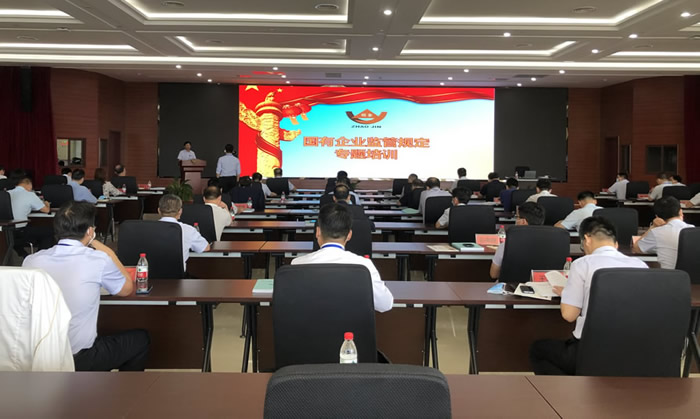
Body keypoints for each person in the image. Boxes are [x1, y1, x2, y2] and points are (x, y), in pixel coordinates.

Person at [22, 201, 150, 371]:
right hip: (78, 358)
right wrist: (107, 251)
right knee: (140, 340)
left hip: (38, 356)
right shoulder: (98, 259)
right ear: (90, 231)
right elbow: (127, 289)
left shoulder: (31, 260)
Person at [529, 216, 648, 375]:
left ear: (586, 239)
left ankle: (572, 389)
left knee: (538, 350)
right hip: (633, 350)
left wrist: (567, 294)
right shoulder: (641, 265)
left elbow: (569, 315)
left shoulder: (583, 264)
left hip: (591, 350)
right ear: (615, 243)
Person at [291, 203, 393, 312]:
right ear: (349, 235)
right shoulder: (364, 266)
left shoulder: (296, 264)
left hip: (309, 322)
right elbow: (385, 305)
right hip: (352, 323)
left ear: (318, 232)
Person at [634, 196, 694, 269]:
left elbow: (636, 248)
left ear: (657, 217)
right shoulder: (694, 230)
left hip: (671, 275)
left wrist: (653, 226)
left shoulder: (657, 232)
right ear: (680, 212)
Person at [490, 202, 545, 280]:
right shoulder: (554, 243)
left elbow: (494, 274)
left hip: (511, 285)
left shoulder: (508, 244)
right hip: (541, 285)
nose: (516, 220)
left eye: (517, 217)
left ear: (523, 221)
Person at [158, 194, 210, 271]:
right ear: (180, 211)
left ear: (159, 211)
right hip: (178, 275)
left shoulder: (147, 229)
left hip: (149, 276)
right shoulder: (188, 230)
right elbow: (205, 247)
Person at [9, 176, 53, 255]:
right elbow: (46, 210)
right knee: (50, 232)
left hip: (6, 233)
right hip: (20, 231)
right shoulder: (29, 194)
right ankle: (39, 256)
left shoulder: (7, 193)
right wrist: (47, 203)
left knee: (15, 240)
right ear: (28, 184)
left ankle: (23, 255)